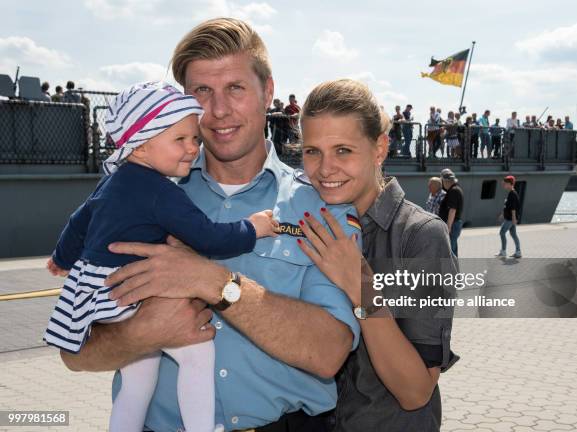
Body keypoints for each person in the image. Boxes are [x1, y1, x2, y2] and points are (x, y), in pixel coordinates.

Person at [59, 18, 361, 432]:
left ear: (267, 92)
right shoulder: (134, 195)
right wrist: (137, 335)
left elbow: (329, 352)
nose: (218, 111)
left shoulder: (319, 206)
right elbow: (74, 353)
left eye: (235, 88)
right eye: (202, 92)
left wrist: (214, 281)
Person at [44, 81, 278, 432]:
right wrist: (253, 227)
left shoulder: (114, 180)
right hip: (131, 296)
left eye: (194, 139)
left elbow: (79, 220)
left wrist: (62, 258)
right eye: (179, 140)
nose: (192, 149)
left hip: (101, 297)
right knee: (198, 352)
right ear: (140, 145)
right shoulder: (160, 192)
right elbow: (208, 237)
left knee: (138, 379)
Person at [298, 79, 458, 432]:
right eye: (312, 151)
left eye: (343, 150)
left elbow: (416, 392)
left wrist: (360, 284)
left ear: (379, 149)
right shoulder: (300, 225)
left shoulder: (420, 236)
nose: (325, 169)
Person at [438, 169, 463, 257]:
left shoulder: (453, 191)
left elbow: (452, 210)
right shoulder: (455, 189)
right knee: (453, 249)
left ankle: (450, 269)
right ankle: (455, 269)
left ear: (445, 181)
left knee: (449, 251)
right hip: (455, 224)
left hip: (452, 224)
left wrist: (448, 226)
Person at [496, 175, 522, 258]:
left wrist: (514, 219)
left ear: (511, 184)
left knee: (502, 232)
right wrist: (502, 214)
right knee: (513, 234)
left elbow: (513, 208)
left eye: (506, 183)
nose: (504, 185)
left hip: (510, 219)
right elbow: (507, 206)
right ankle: (518, 252)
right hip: (510, 218)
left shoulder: (512, 194)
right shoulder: (511, 193)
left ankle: (503, 251)